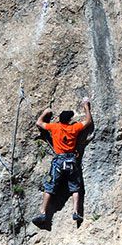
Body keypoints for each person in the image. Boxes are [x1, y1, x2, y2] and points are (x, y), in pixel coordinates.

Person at [32, 96, 94, 231]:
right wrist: (86, 107)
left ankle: (43, 213)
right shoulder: (74, 129)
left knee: (49, 186)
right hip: (71, 160)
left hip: (59, 161)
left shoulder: (54, 127)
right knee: (75, 187)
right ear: (69, 121)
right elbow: (88, 121)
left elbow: (39, 123)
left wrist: (45, 113)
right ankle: (76, 212)